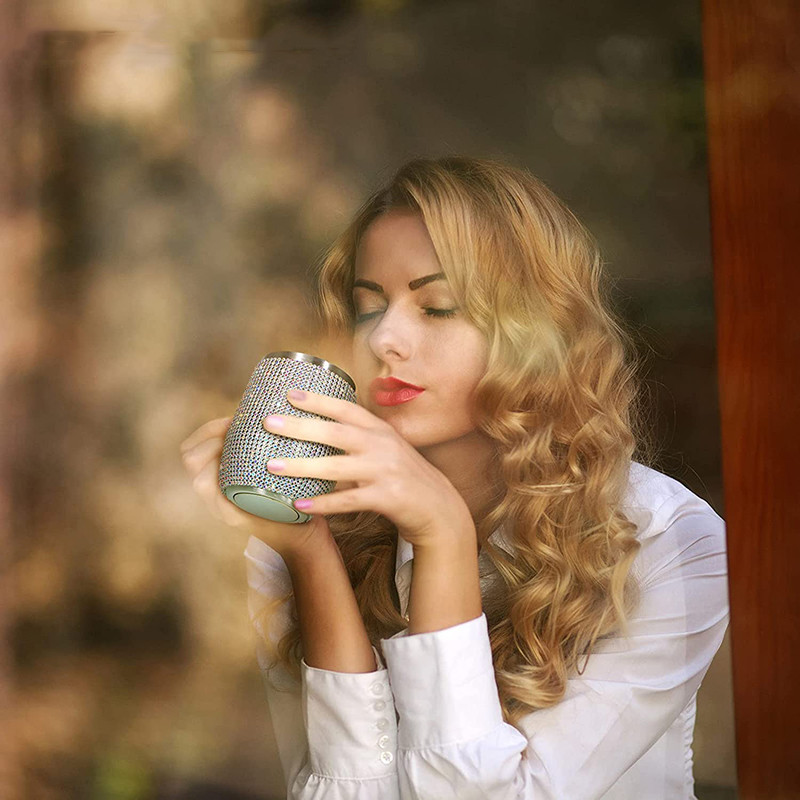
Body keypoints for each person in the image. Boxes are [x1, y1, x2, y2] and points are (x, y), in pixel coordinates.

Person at [179, 156, 730, 799]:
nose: (384, 338)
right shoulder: (292, 536)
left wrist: (443, 534)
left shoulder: (670, 545)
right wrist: (309, 552)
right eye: (367, 309)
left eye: (438, 308)